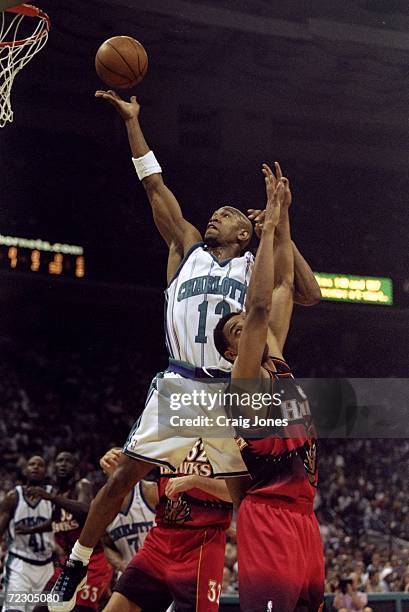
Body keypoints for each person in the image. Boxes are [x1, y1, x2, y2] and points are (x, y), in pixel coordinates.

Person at [49, 88, 320, 611]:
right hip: (179, 382)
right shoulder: (185, 248)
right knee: (127, 471)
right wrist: (133, 123)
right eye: (214, 213)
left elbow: (304, 293)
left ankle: (264, 583)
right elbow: (153, 185)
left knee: (248, 496)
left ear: (246, 232)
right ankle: (77, 563)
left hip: (232, 395)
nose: (215, 216)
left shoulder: (253, 268)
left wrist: (279, 226)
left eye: (226, 215)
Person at [213, 165, 324, 611]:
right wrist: (269, 231)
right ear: (228, 353)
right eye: (238, 332)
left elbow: (285, 285)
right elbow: (258, 306)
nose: (251, 331)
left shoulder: (275, 360)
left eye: (249, 328)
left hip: (304, 519)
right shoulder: (244, 384)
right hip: (269, 518)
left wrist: (282, 219)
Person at [101, 440, 233, 611]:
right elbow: (135, 459)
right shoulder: (169, 430)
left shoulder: (228, 434)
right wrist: (116, 459)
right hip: (161, 539)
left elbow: (238, 492)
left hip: (202, 543)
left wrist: (195, 480)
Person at [22, 452, 113, 612]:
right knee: (40, 609)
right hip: (67, 562)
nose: (63, 464)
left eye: (68, 461)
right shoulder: (59, 493)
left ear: (76, 468)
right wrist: (31, 529)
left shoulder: (81, 485)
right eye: (59, 461)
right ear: (53, 467)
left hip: (91, 562)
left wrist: (51, 498)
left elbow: (86, 510)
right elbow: (58, 522)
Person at [0, 455, 54, 612]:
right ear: (25, 470)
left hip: (47, 566)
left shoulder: (53, 495)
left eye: (40, 465)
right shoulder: (13, 496)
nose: (36, 467)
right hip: (19, 564)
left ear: (46, 471)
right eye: (32, 464)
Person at [103, 449, 157, 573]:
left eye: (119, 459)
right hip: (128, 577)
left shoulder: (150, 490)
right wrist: (121, 565)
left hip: (160, 572)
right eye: (111, 460)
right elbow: (105, 544)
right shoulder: (103, 503)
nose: (116, 464)